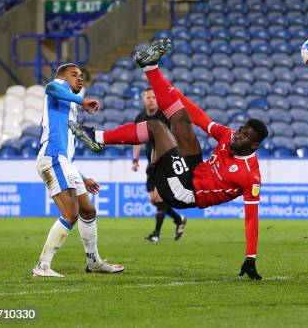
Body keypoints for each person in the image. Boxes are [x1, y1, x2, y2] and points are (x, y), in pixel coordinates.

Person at [70, 39, 268, 280]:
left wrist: (251, 256)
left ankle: (98, 138)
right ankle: (150, 68)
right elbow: (198, 116)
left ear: (254, 144)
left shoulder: (251, 175)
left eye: (245, 136)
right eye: (240, 130)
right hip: (194, 169)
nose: (237, 135)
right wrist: (172, 93)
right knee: (182, 119)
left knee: (156, 127)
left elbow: (252, 217)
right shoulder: (228, 136)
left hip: (187, 191)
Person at [33, 63, 124, 277]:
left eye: (82, 75)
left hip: (64, 161)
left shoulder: (70, 107)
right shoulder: (58, 90)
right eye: (75, 75)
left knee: (88, 211)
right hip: (52, 157)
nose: (80, 78)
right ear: (63, 78)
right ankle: (42, 266)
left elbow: (68, 151)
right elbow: (50, 88)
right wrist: (82, 100)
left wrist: (82, 178)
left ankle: (94, 262)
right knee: (71, 214)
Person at [132, 87, 187, 242]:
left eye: (153, 97)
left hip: (166, 161)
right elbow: (136, 141)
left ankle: (156, 234)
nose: (151, 100)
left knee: (158, 196)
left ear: (157, 100)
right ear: (143, 99)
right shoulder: (140, 117)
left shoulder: (164, 117)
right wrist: (135, 160)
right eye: (148, 97)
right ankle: (179, 219)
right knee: (154, 200)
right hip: (152, 163)